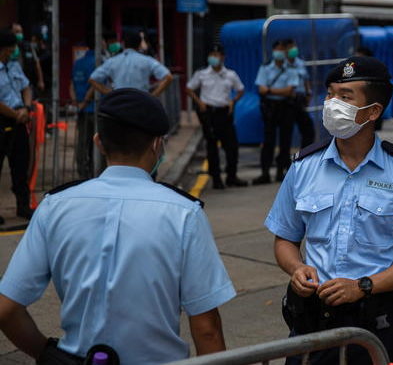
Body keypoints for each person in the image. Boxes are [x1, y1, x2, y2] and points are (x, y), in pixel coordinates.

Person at [0, 88, 236, 364]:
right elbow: (207, 330)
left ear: (99, 142)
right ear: (157, 144)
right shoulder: (184, 213)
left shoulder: (55, 206)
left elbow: (6, 310)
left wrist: (48, 354)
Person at [265, 56, 393, 364]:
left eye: (345, 97)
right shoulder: (304, 167)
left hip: (377, 325)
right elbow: (285, 239)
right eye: (331, 94)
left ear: (373, 111)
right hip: (312, 322)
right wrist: (297, 269)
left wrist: (364, 286)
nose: (333, 103)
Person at [186, 44, 247, 189]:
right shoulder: (202, 74)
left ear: (223, 57)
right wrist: (199, 102)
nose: (214, 57)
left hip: (224, 112)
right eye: (211, 54)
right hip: (208, 113)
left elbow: (240, 89)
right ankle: (216, 178)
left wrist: (233, 101)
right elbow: (189, 88)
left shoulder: (230, 74)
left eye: (217, 54)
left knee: (232, 146)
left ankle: (231, 177)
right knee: (212, 147)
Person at [252, 40, 300, 185]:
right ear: (273, 51)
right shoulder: (265, 68)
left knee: (285, 141)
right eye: (277, 49)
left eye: (282, 50)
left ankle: (281, 171)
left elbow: (290, 90)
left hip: (286, 107)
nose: (279, 52)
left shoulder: (291, 69)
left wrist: (271, 90)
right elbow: (261, 89)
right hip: (270, 108)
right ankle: (265, 172)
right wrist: (281, 92)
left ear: (286, 52)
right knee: (268, 141)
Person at [0, 29, 34, 223]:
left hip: (20, 119)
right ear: (4, 49)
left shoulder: (14, 66)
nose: (14, 50)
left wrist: (26, 108)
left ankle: (23, 206)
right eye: (12, 47)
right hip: (4, 119)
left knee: (21, 164)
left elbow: (26, 87)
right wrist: (15, 115)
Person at [89, 32, 173, 96]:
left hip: (120, 103)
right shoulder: (147, 60)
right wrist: (153, 96)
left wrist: (110, 93)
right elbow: (168, 77)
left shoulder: (112, 61)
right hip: (141, 102)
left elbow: (92, 79)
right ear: (140, 44)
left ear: (123, 43)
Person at [70, 38, 97, 179]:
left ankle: (83, 173)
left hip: (81, 110)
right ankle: (92, 174)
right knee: (95, 145)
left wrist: (77, 102)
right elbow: (95, 84)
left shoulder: (78, 63)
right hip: (93, 109)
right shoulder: (97, 62)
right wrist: (85, 101)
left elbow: (71, 84)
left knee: (82, 143)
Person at [284, 39, 315, 148]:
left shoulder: (300, 63)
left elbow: (306, 79)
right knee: (286, 131)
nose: (294, 49)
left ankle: (305, 155)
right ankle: (283, 162)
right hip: (286, 100)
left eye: (294, 46)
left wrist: (308, 93)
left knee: (308, 129)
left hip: (300, 99)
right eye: (291, 47)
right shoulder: (281, 65)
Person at [11, 23, 44, 94]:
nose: (19, 34)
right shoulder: (7, 47)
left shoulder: (28, 47)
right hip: (12, 83)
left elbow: (37, 63)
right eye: (17, 32)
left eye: (21, 32)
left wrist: (40, 80)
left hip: (27, 80)